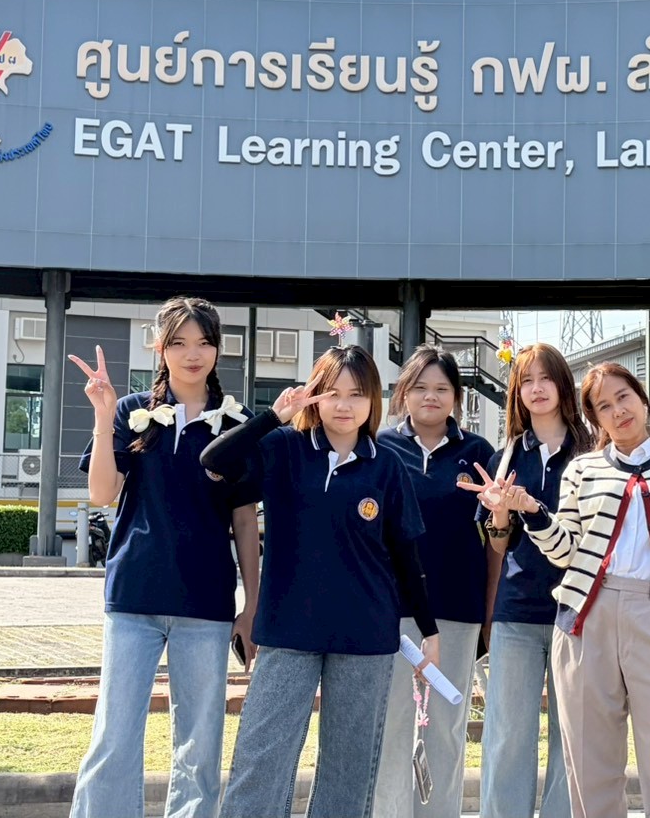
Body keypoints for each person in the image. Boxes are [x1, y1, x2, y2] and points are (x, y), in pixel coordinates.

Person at [201, 344, 442, 818]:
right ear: (314, 396)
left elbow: (405, 555)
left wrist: (429, 632)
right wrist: (274, 416)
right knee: (260, 759)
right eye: (332, 393)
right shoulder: (285, 448)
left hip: (365, 637)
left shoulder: (387, 465)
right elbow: (214, 460)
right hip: (287, 631)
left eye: (357, 394)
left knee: (348, 771)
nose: (344, 405)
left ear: (373, 400)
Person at [481, 362, 650, 818]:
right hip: (588, 618)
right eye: (603, 406)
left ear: (642, 398)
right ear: (594, 419)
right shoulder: (583, 470)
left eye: (623, 397)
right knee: (590, 766)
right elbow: (566, 551)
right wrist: (533, 512)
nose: (618, 411)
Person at [67, 297, 261, 818]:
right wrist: (103, 415)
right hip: (134, 597)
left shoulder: (238, 422)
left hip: (206, 603)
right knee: (113, 736)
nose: (192, 354)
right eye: (178, 342)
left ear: (218, 349)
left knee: (200, 746)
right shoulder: (131, 412)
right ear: (160, 348)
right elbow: (101, 492)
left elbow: (245, 521)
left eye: (203, 342)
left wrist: (251, 605)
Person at [465, 343, 590, 818]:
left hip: (579, 612)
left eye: (546, 378)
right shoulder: (506, 457)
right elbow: (499, 546)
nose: (537, 389)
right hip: (516, 611)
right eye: (527, 381)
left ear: (563, 386)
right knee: (506, 734)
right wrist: (499, 514)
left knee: (572, 735)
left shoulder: (592, 454)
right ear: (516, 392)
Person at [373, 345, 495, 817]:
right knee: (391, 726)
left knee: (445, 725)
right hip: (393, 611)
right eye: (420, 387)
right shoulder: (380, 446)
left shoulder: (478, 454)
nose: (431, 397)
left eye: (442, 388)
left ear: (456, 397)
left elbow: (496, 534)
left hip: (456, 612)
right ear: (404, 392)